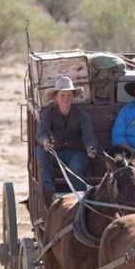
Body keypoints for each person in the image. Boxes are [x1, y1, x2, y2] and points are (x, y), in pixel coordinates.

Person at [36, 75, 96, 203]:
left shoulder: (81, 115)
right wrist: (45, 141)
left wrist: (90, 148)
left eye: (69, 95)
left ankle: (81, 201)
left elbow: (88, 136)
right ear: (56, 97)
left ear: (73, 97)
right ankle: (49, 195)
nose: (66, 98)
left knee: (75, 170)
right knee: (41, 153)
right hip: (55, 153)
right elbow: (42, 133)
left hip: (77, 153)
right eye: (62, 95)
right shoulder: (48, 114)